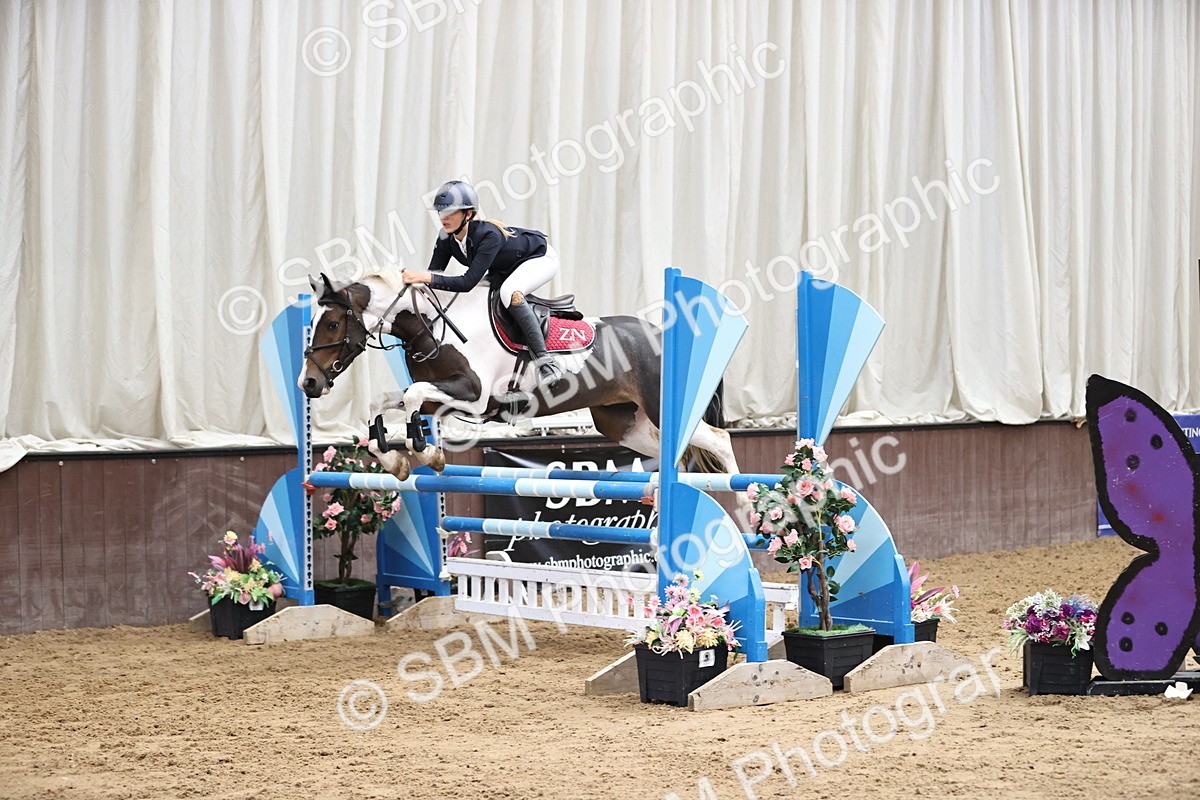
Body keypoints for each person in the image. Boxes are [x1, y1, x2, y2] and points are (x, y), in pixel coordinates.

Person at [401, 180, 563, 390]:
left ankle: (545, 363)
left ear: (468, 214)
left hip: (539, 258)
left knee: (509, 293)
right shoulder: (445, 238)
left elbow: (467, 281)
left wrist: (424, 277)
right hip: (506, 267)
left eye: (450, 212)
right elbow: (435, 276)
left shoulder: (488, 236)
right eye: (441, 212)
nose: (443, 218)